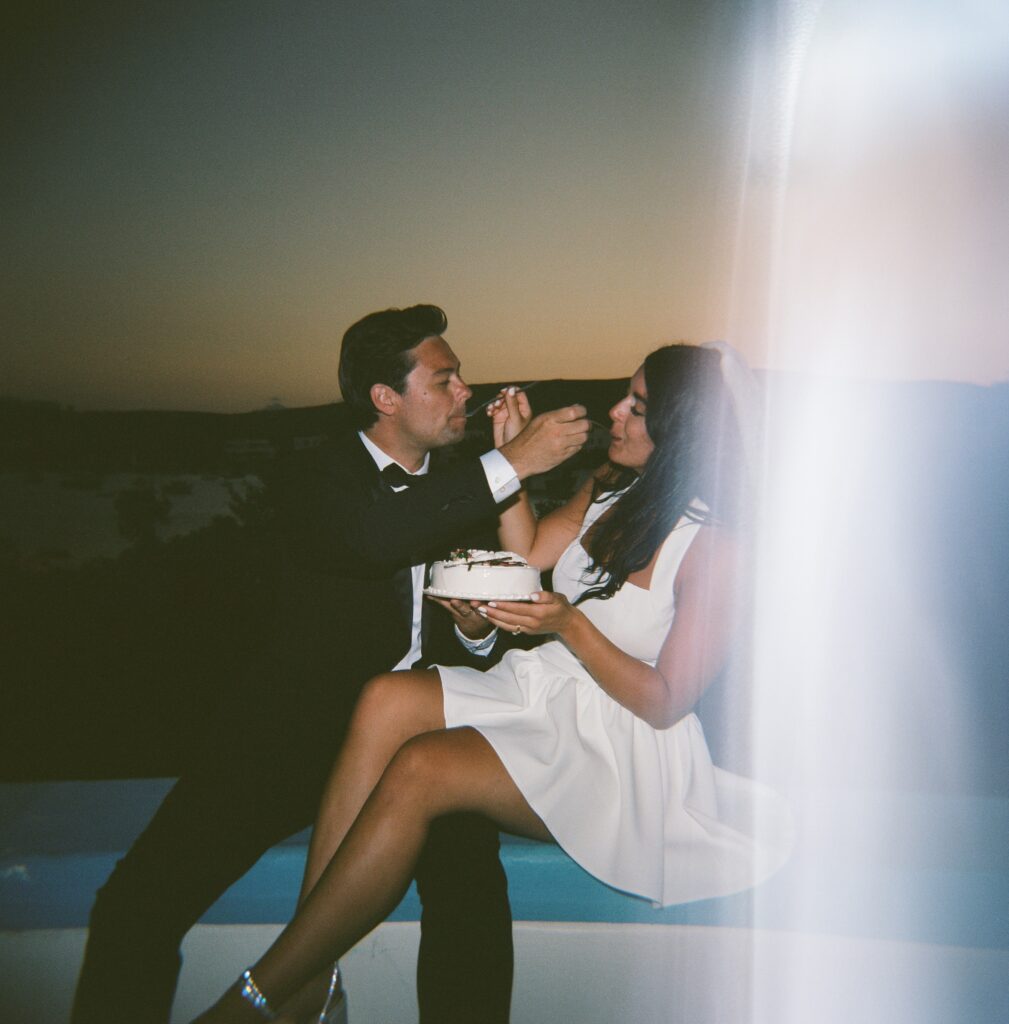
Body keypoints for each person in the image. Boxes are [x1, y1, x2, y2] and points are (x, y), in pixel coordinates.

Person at [191, 343, 793, 1023]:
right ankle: (310, 976)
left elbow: (664, 703)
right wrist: (510, 463)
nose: (616, 413)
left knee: (421, 767)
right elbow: (529, 554)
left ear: (684, 426)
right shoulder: (610, 487)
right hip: (543, 689)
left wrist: (570, 627)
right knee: (385, 696)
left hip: (618, 749)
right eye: (625, 396)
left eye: (638, 405)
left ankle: (257, 1000)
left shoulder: (719, 548)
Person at [71, 304, 590, 1024]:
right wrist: (515, 459)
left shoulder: (471, 491)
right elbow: (373, 536)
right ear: (386, 398)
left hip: (420, 743)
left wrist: (474, 633)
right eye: (444, 380)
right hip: (293, 735)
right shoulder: (315, 475)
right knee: (136, 901)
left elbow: (485, 634)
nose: (465, 390)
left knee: (469, 892)